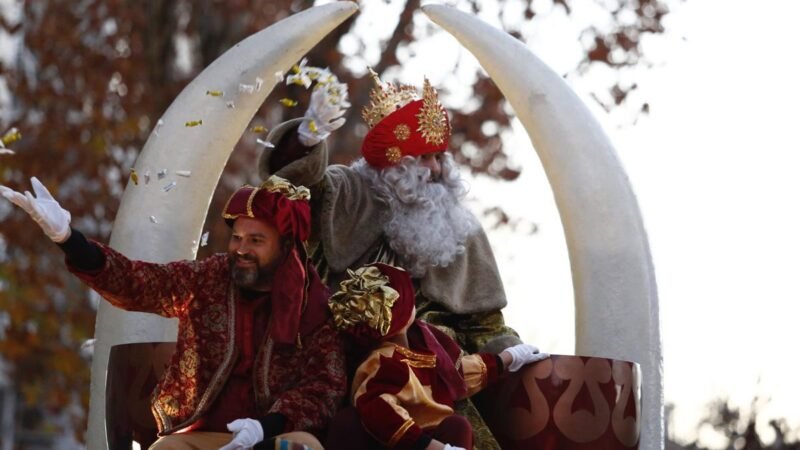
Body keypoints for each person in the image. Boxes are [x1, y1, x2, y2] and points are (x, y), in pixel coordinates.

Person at [261, 70, 532, 449]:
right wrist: (306, 140)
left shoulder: (460, 226)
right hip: (342, 368)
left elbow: (484, 324)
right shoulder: (348, 193)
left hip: (435, 381)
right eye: (424, 157)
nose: (436, 170)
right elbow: (296, 191)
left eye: (439, 157)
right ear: (393, 160)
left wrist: (512, 352)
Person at [0, 176, 346, 450]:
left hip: (270, 437)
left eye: (256, 241)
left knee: (302, 448)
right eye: (237, 237)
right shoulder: (209, 278)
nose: (240, 249)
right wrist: (68, 239)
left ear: (286, 246)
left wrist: (265, 427)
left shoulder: (313, 306)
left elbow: (324, 387)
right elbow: (138, 283)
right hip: (200, 436)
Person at [326, 263, 548, 450]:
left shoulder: (423, 343)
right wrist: (432, 447)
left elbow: (456, 374)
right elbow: (380, 412)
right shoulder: (385, 362)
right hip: (400, 444)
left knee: (458, 426)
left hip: (436, 433)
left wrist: (509, 357)